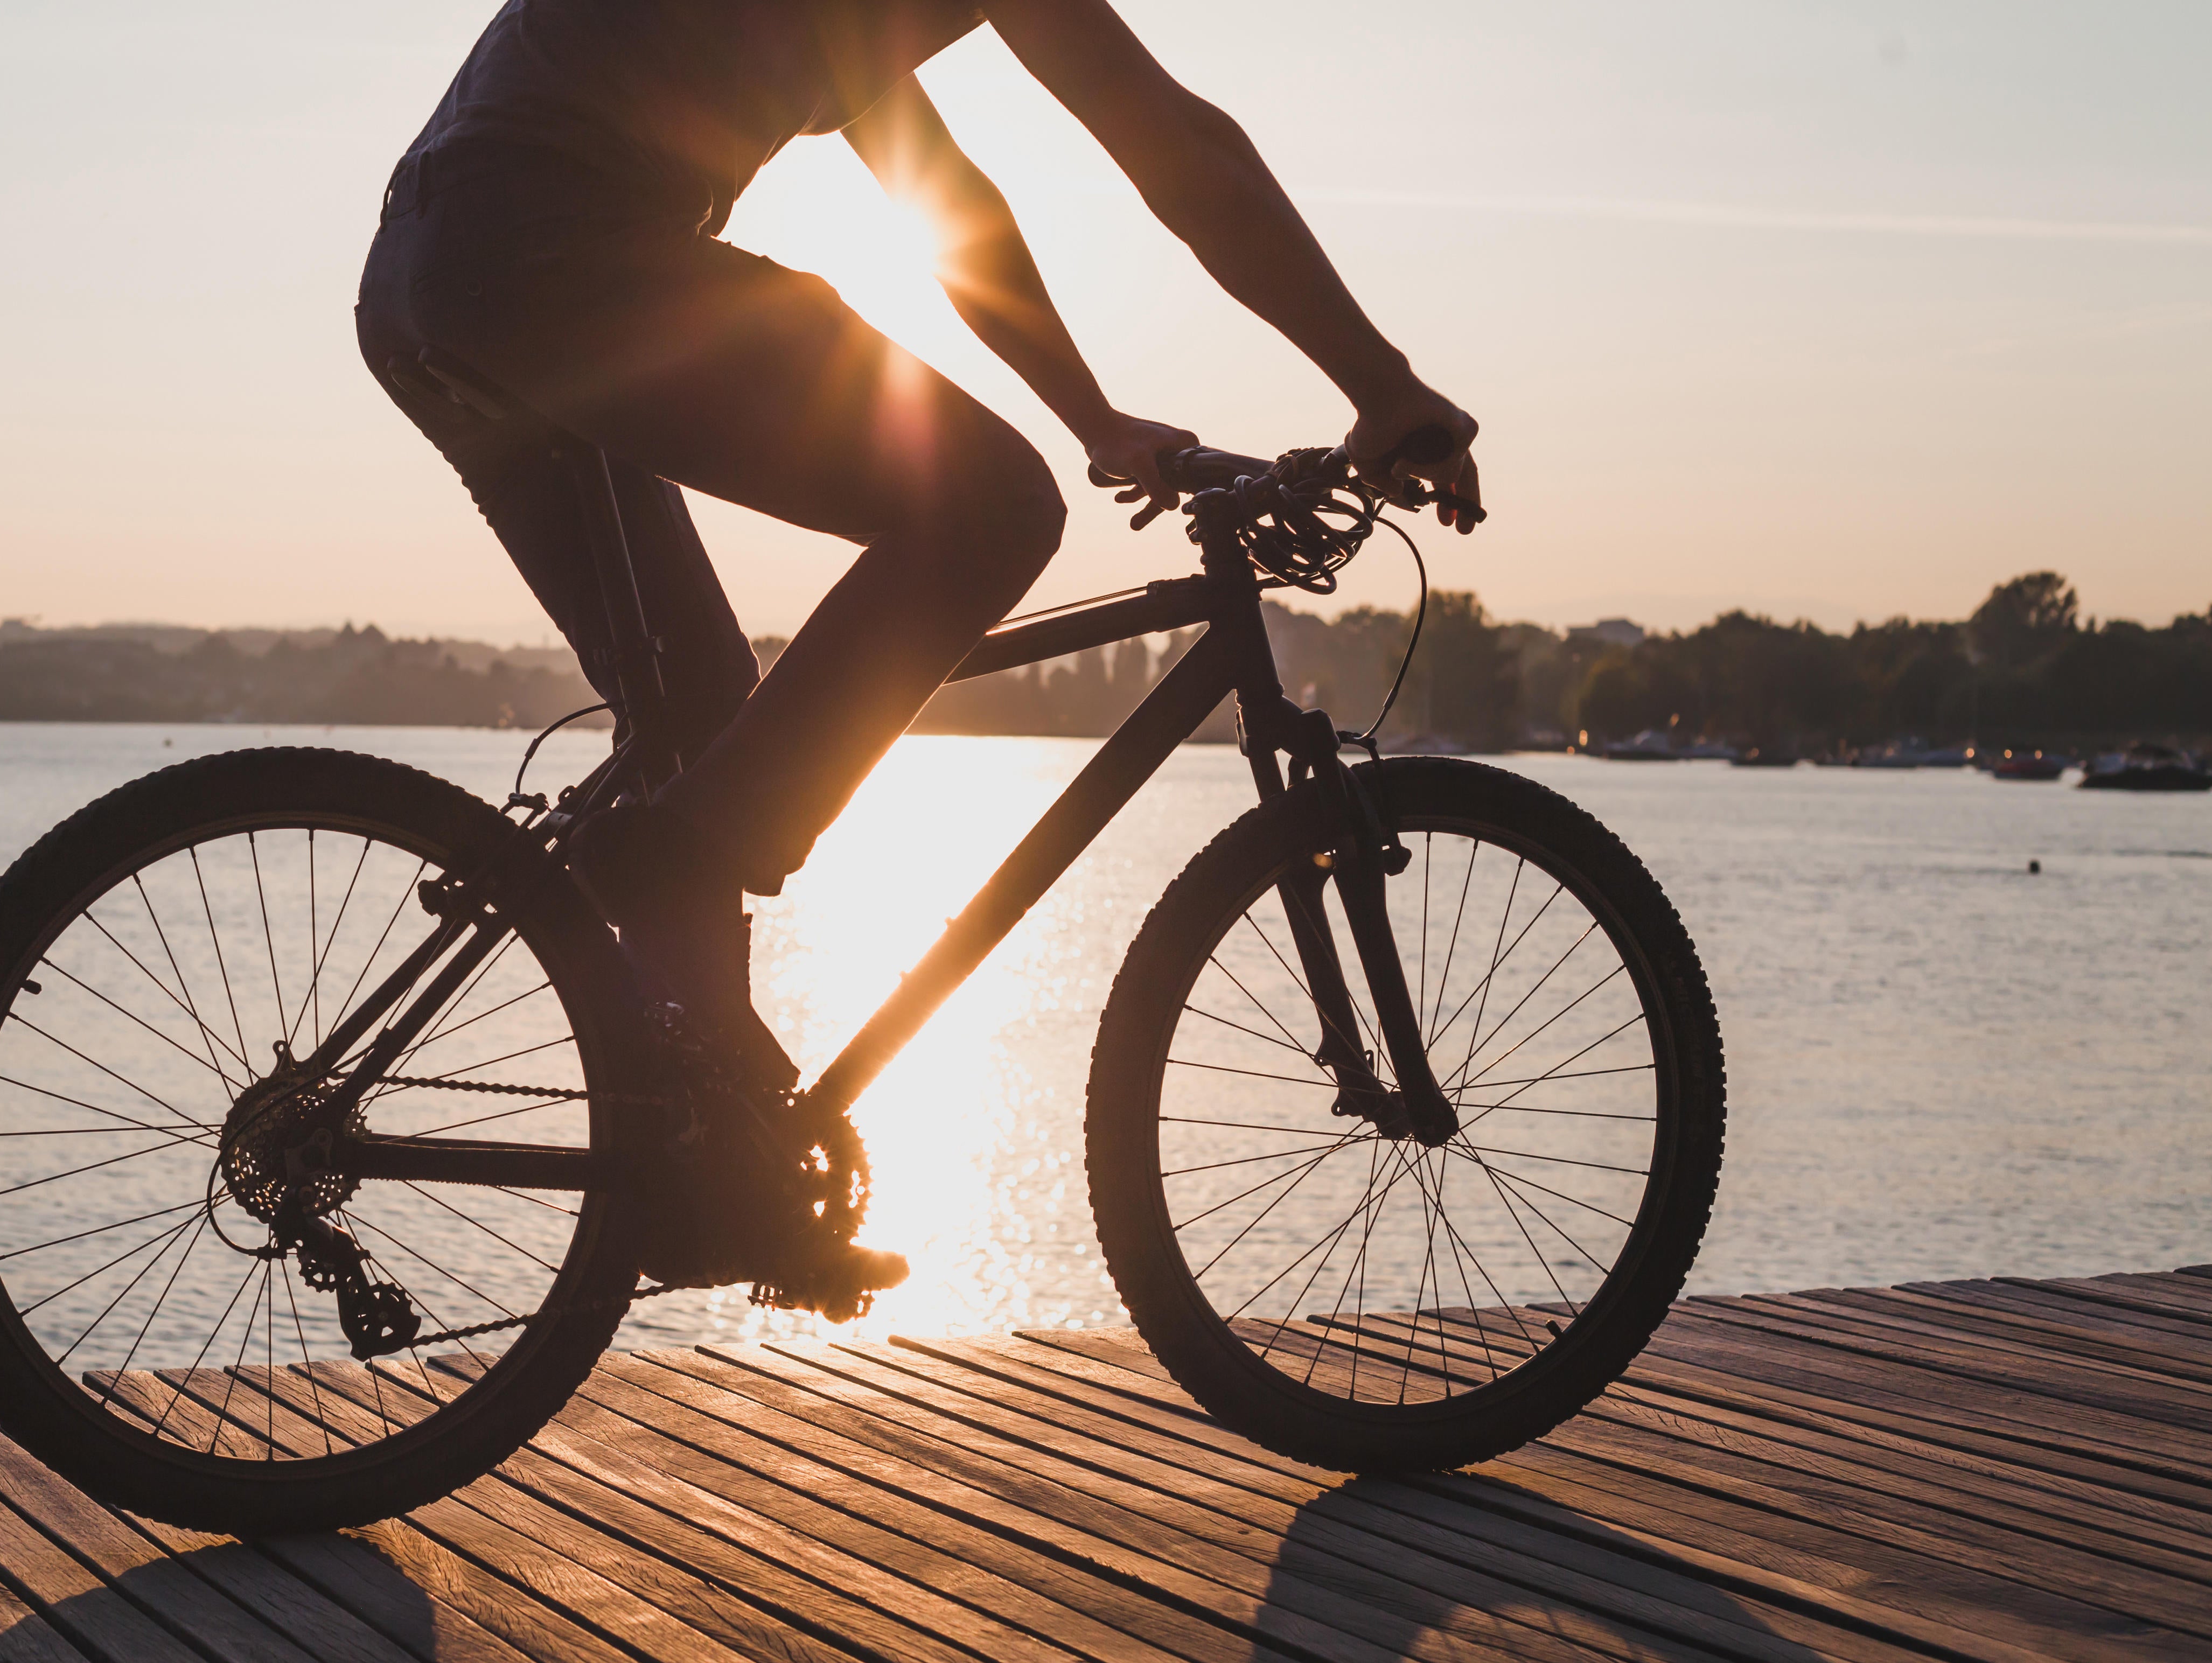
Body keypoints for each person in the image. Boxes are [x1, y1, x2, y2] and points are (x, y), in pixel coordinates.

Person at [359, 0, 1479, 1296]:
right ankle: (669, 867)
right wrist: (1377, 381)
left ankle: (689, 1174)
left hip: (428, 281)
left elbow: (943, 196)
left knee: (700, 712)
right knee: (990, 511)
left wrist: (1092, 415)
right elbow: (1177, 152)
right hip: (557, 254)